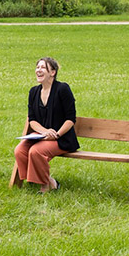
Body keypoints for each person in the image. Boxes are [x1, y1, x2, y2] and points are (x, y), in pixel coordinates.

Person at [13, 57, 77, 194]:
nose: (38, 70)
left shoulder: (62, 89)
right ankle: (49, 181)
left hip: (62, 138)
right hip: (42, 135)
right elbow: (32, 120)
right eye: (37, 67)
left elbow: (71, 119)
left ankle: (44, 187)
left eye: (43, 67)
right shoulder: (34, 91)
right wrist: (45, 131)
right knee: (20, 150)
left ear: (52, 72)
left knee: (36, 151)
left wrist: (56, 134)